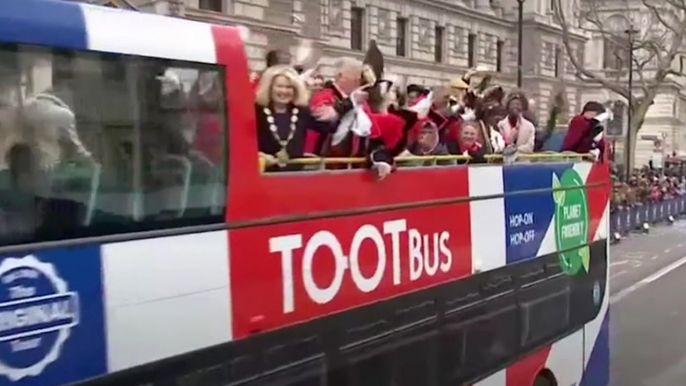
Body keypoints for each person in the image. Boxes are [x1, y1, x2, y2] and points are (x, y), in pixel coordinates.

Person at [254, 65, 336, 172]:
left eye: (289, 87)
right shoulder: (256, 111)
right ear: (269, 87)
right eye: (280, 86)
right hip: (263, 177)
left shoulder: (301, 112)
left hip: (294, 177)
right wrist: (259, 155)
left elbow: (329, 128)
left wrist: (334, 114)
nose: (284, 91)